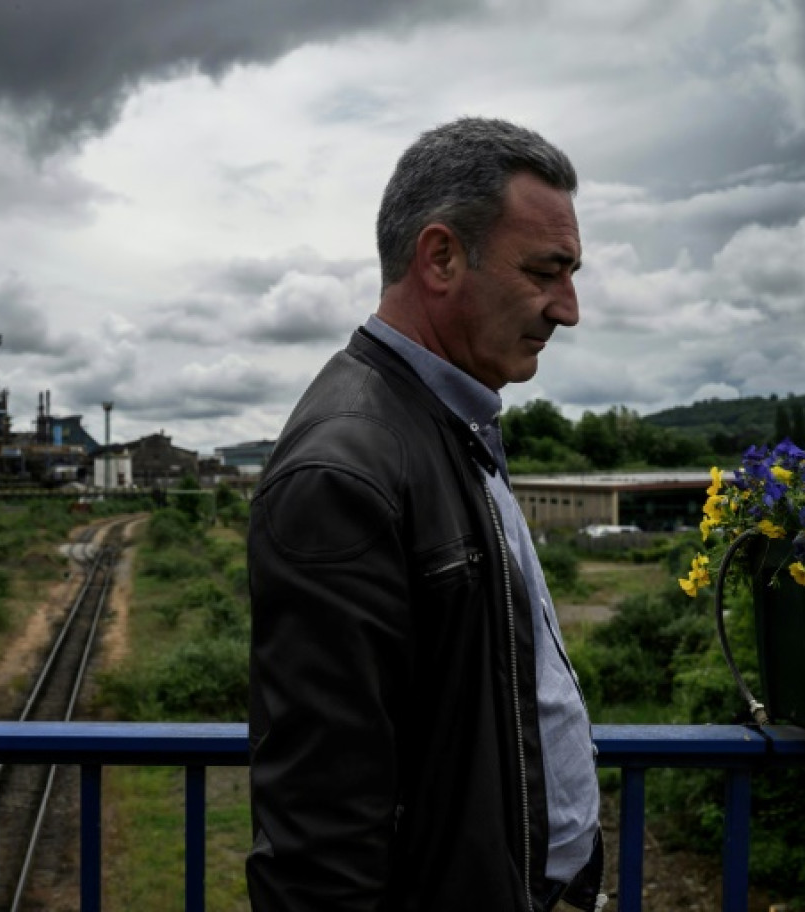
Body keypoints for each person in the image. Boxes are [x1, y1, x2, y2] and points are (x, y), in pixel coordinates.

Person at [246, 118, 605, 911]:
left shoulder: (447, 422)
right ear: (440, 257)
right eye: (548, 271)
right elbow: (320, 831)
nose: (569, 310)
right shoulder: (345, 470)